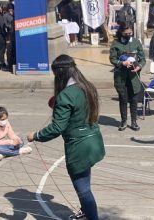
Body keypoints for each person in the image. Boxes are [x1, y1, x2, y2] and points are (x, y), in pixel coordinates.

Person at [26, 55, 105, 220]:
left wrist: (36, 135)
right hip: (94, 140)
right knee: (85, 184)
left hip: (79, 147)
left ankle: (92, 216)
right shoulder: (87, 86)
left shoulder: (66, 95)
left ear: (59, 74)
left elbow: (57, 128)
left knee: (83, 190)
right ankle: (86, 211)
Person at [109, 23, 145, 132]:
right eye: (126, 33)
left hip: (134, 76)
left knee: (134, 99)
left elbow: (142, 58)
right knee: (123, 99)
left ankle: (134, 121)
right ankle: (123, 121)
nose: (129, 35)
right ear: (121, 32)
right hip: (121, 77)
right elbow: (112, 58)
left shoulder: (136, 42)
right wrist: (122, 63)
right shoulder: (115, 43)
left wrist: (139, 67)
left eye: (130, 33)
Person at [3, 4, 14, 71]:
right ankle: (9, 64)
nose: (11, 11)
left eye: (12, 10)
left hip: (14, 35)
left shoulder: (15, 15)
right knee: (9, 50)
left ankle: (12, 63)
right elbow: (5, 25)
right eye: (10, 10)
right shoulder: (5, 16)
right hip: (9, 35)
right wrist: (10, 26)